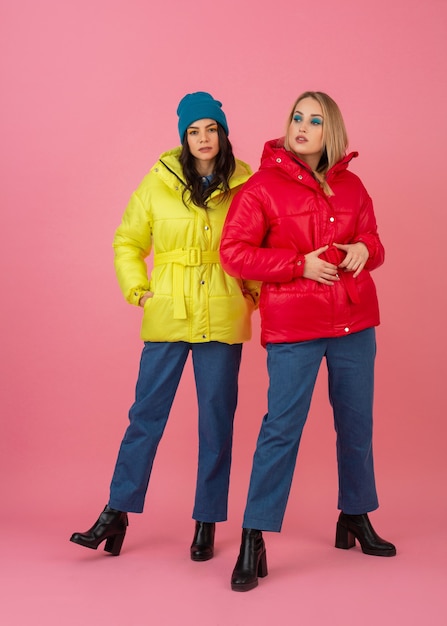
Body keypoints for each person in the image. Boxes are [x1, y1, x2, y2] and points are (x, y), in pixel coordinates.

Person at [70, 91, 259, 560]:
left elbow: (260, 241)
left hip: (221, 312)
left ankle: (207, 521)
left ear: (223, 132)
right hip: (168, 311)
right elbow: (127, 241)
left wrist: (250, 293)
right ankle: (116, 513)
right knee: (145, 417)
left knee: (217, 423)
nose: (203, 139)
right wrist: (139, 290)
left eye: (210, 129)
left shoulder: (247, 184)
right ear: (183, 137)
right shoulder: (157, 181)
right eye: (194, 131)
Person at [219, 91, 396, 592]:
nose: (302, 126)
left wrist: (365, 248)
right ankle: (254, 536)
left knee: (357, 425)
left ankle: (355, 516)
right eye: (297, 117)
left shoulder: (354, 186)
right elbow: (233, 252)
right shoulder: (261, 188)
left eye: (314, 120)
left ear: (329, 131)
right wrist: (298, 264)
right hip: (295, 327)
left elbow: (376, 243)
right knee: (282, 429)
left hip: (355, 324)